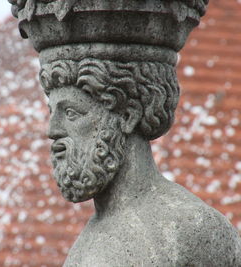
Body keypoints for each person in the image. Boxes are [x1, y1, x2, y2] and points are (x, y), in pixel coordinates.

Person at [41, 58, 241, 266]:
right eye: (51, 112)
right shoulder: (87, 240)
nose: (52, 130)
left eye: (71, 113)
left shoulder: (190, 228)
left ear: (127, 116)